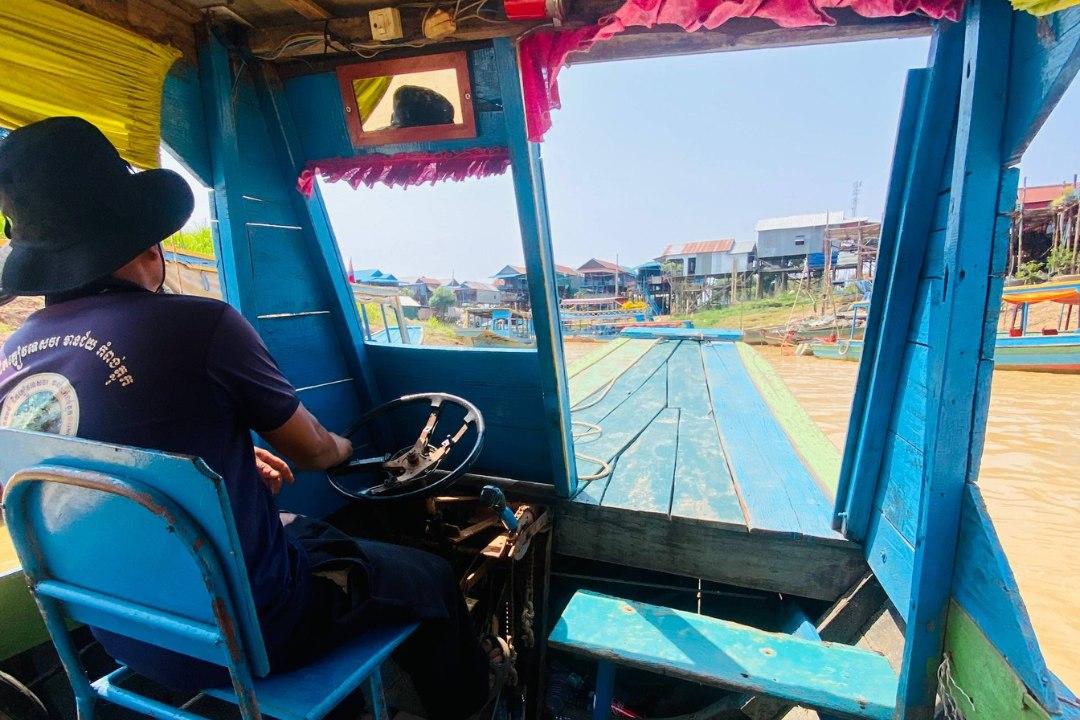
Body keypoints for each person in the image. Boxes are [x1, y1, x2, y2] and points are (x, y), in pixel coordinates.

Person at [0, 117, 488, 719]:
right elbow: (312, 451)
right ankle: (475, 707)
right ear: (140, 244)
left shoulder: (13, 356)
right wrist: (345, 449)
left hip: (124, 636)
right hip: (250, 635)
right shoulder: (200, 325)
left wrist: (215, 466)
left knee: (302, 532)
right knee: (432, 576)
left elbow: (85, 472)